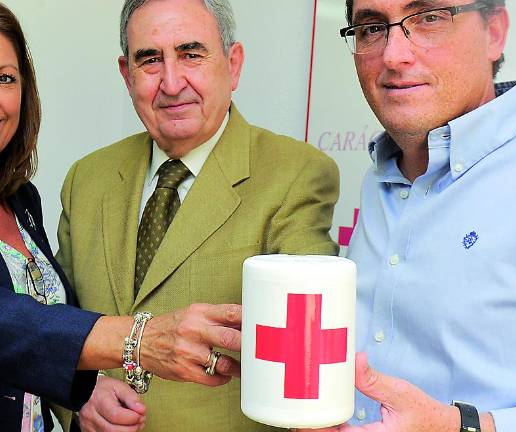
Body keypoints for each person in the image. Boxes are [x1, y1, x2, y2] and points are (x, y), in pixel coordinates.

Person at [0, 1, 243, 431]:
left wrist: (85, 389)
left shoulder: (19, 198)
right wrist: (137, 340)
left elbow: (29, 327)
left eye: (4, 78)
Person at [302, 0, 516, 431]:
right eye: (371, 28)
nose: (393, 55)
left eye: (429, 17)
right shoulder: (382, 176)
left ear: (494, 32)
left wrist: (469, 427)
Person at [55, 0, 340, 430]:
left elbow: (304, 357)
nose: (172, 82)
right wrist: (78, 395)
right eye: (150, 59)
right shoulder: (87, 178)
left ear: (234, 63)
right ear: (126, 74)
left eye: (191, 53)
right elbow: (57, 318)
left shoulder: (295, 174)